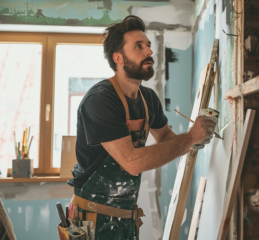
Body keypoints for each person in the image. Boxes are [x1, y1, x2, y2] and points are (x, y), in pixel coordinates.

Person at [66, 15, 216, 240]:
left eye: (148, 45)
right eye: (139, 46)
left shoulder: (148, 99)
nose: (149, 52)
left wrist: (192, 141)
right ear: (119, 58)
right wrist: (190, 138)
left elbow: (165, 136)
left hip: (127, 220)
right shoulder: (100, 100)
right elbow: (132, 163)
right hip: (92, 221)